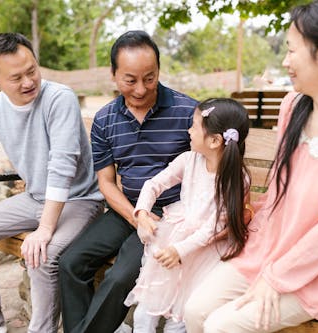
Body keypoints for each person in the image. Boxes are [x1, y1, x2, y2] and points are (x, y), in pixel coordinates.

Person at [184, 1, 318, 332]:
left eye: (292, 51)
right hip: (265, 253)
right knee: (194, 311)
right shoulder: (293, 106)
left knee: (222, 326)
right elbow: (280, 193)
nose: (285, 62)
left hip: (317, 274)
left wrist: (277, 277)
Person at [0, 33, 104, 333]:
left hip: (79, 199)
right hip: (35, 197)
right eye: (16, 77)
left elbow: (63, 167)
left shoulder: (59, 98)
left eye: (32, 70)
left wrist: (45, 230)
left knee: (40, 254)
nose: (28, 82)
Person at [58, 30, 197, 333]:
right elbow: (106, 182)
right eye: (130, 80)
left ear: (158, 70)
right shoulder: (106, 119)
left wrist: (156, 220)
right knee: (71, 263)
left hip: (169, 218)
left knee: (119, 277)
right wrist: (137, 217)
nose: (140, 89)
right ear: (113, 74)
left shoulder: (188, 112)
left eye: (150, 78)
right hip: (127, 211)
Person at [124, 98, 252, 333]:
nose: (188, 131)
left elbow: (212, 227)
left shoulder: (236, 178)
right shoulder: (189, 160)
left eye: (194, 126)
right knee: (144, 313)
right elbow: (154, 184)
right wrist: (142, 211)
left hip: (204, 252)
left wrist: (179, 250)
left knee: (178, 321)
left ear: (214, 140)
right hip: (173, 239)